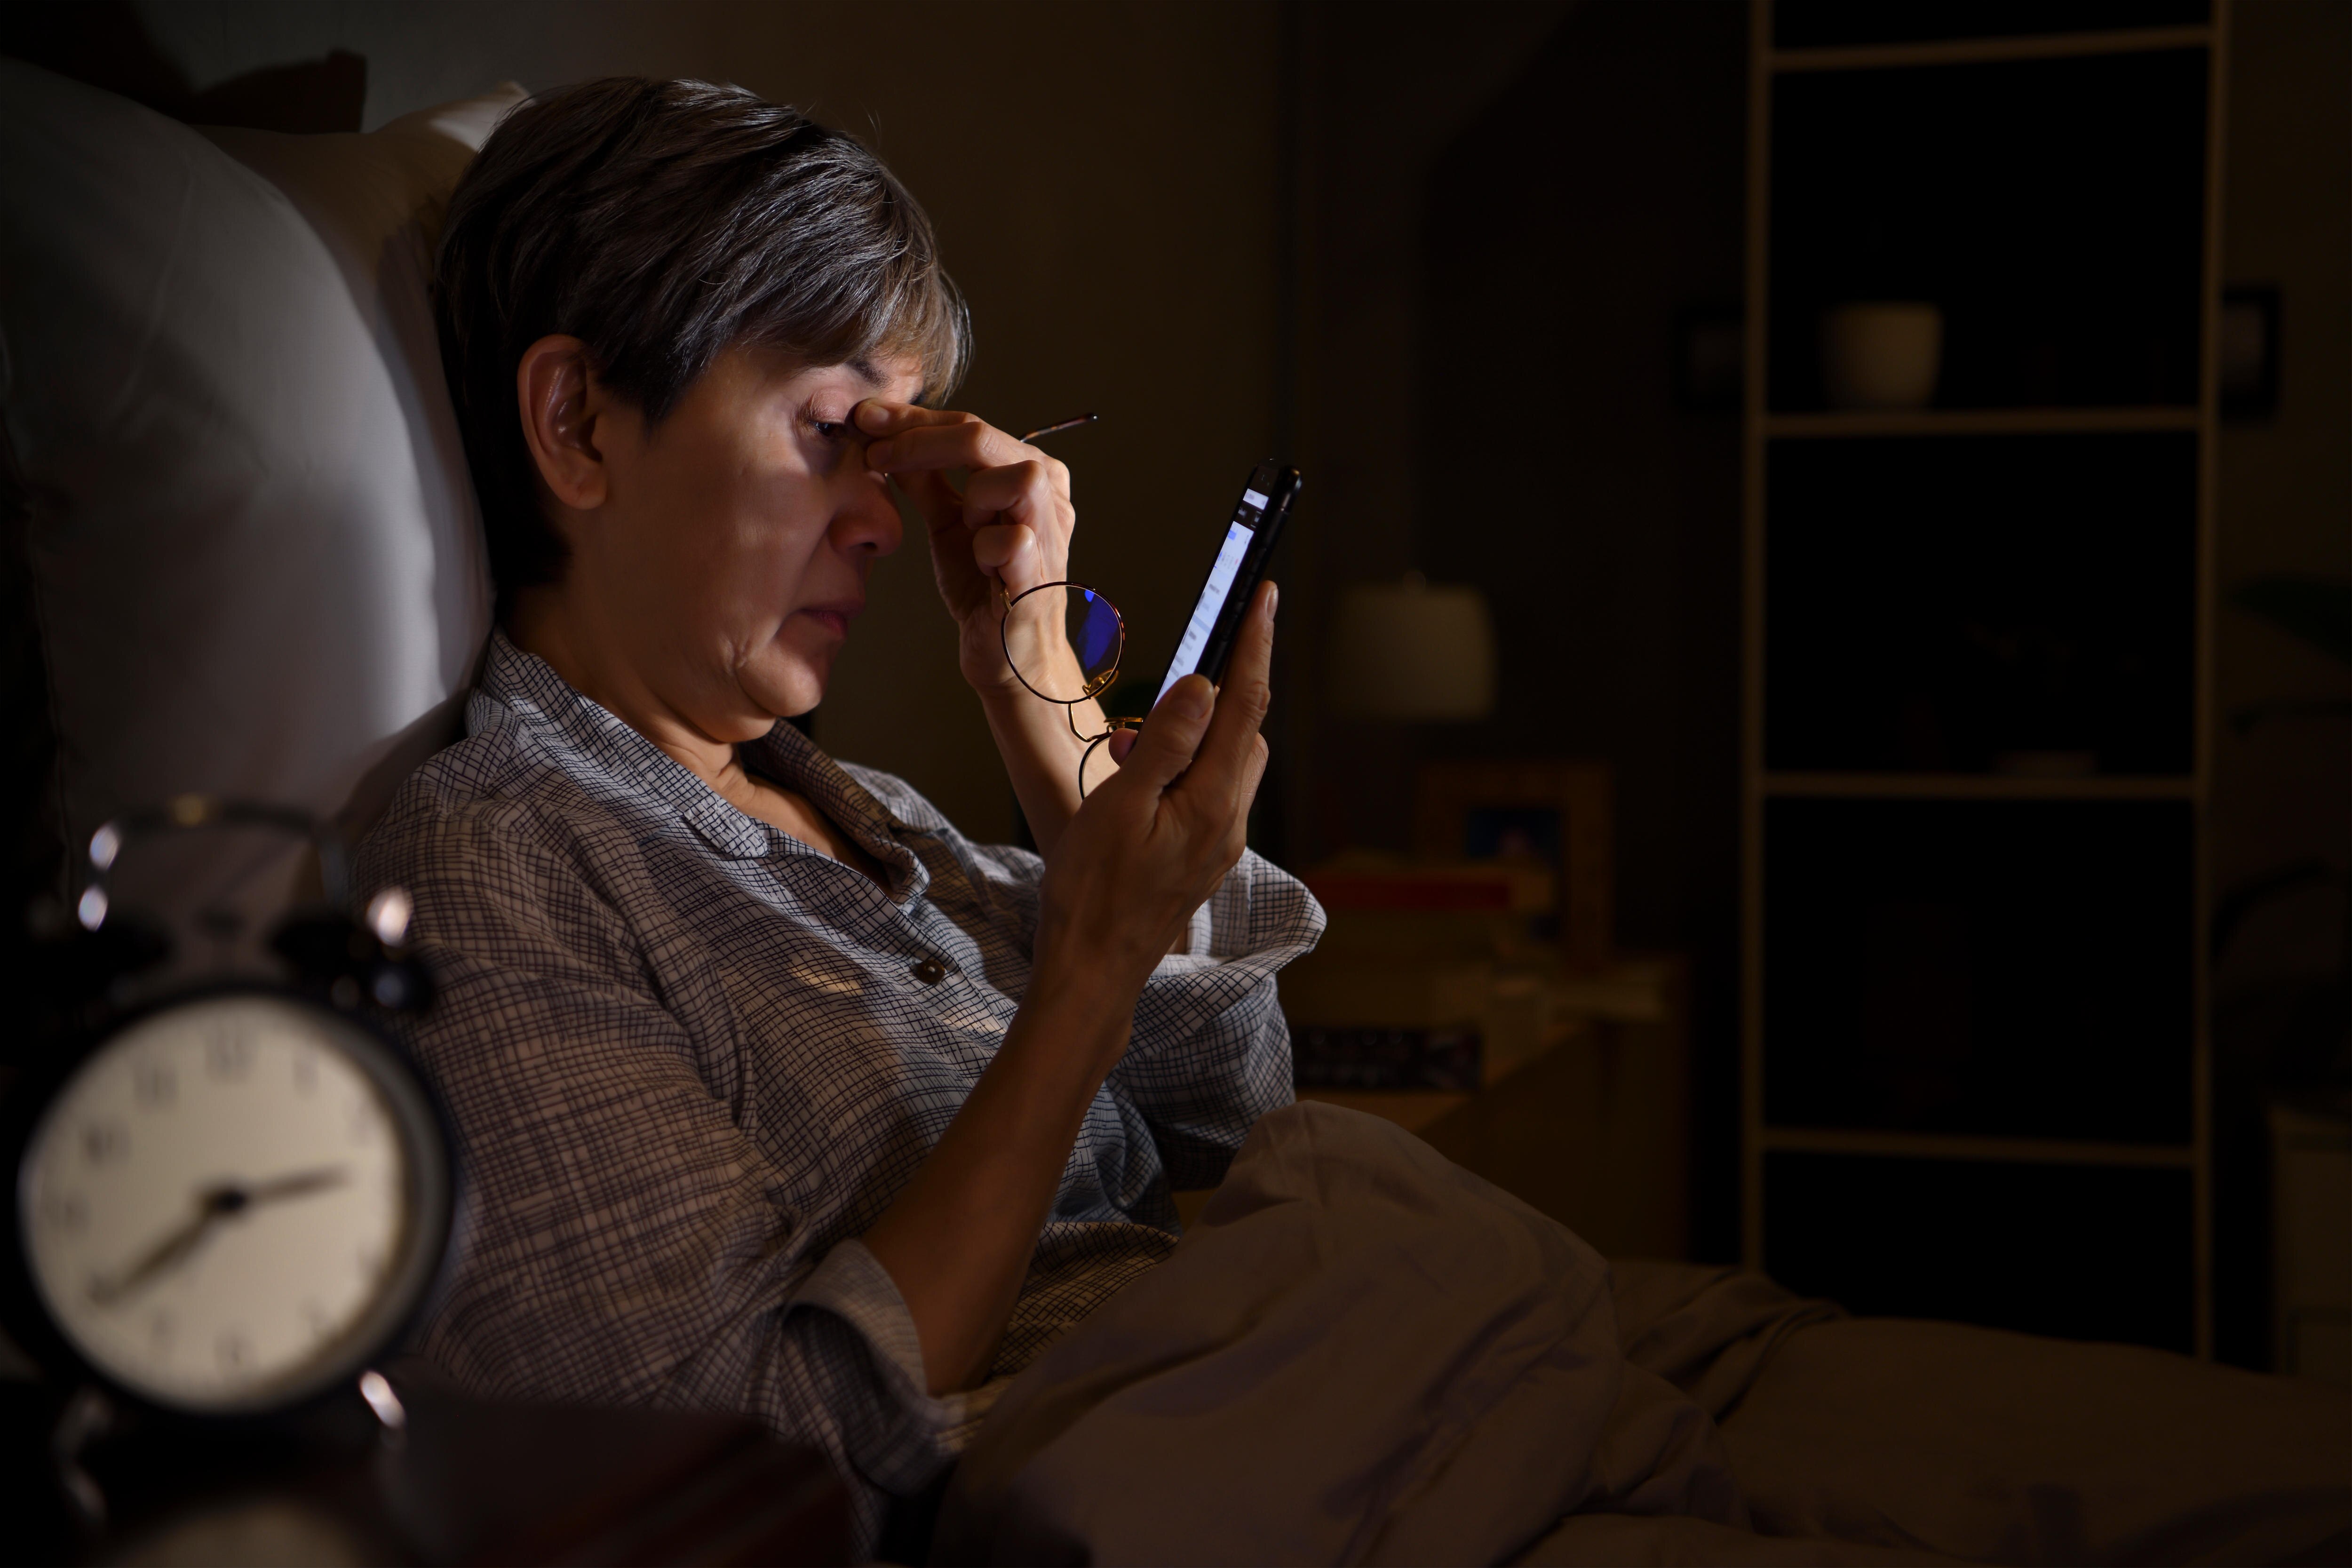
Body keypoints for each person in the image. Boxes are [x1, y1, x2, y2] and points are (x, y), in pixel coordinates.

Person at [358, 76, 1318, 1551]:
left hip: (1284, 1395)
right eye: (828, 431)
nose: (881, 516)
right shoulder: (500, 865)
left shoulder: (869, 816)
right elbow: (748, 1462)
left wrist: (1046, 704)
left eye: (893, 452)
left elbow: (1236, 1126)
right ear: (577, 424)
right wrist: (1083, 982)